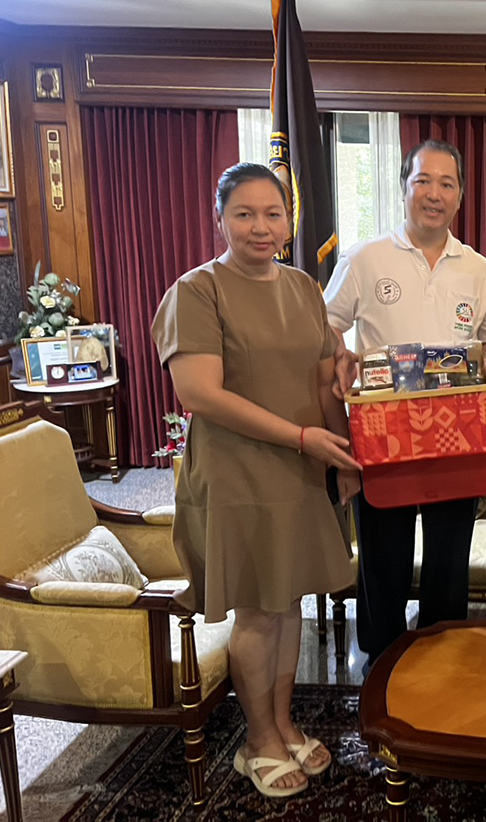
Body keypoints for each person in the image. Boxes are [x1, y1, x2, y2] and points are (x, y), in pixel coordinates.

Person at [152, 162, 359, 798]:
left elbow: (323, 380)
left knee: (289, 601)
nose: (260, 227)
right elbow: (200, 394)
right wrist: (301, 438)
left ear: (289, 222)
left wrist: (342, 456)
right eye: (244, 214)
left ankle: (284, 722)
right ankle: (258, 740)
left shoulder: (303, 288)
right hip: (238, 472)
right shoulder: (197, 291)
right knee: (257, 611)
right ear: (220, 220)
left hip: (301, 469)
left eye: (273, 214)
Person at [324, 139, 486, 669]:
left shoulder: (479, 270)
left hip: (457, 436)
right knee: (383, 559)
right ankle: (382, 666)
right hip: (385, 436)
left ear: (460, 196)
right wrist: (341, 357)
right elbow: (326, 325)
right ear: (403, 187)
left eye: (446, 184)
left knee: (449, 562)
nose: (434, 193)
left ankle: (441, 663)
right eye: (422, 181)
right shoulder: (364, 258)